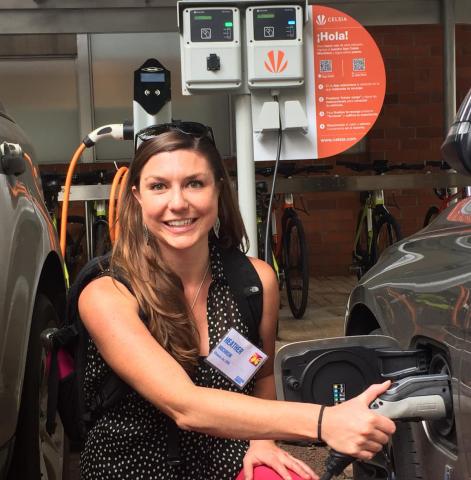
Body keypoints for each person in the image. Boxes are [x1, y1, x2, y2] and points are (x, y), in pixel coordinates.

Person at [78, 121, 396, 480]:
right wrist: (325, 421)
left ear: (217, 190)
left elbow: (262, 376)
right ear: (137, 197)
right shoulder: (109, 293)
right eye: (159, 187)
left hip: (228, 459)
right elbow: (185, 405)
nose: (178, 203)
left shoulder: (254, 283)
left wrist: (263, 441)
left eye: (194, 183)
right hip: (132, 469)